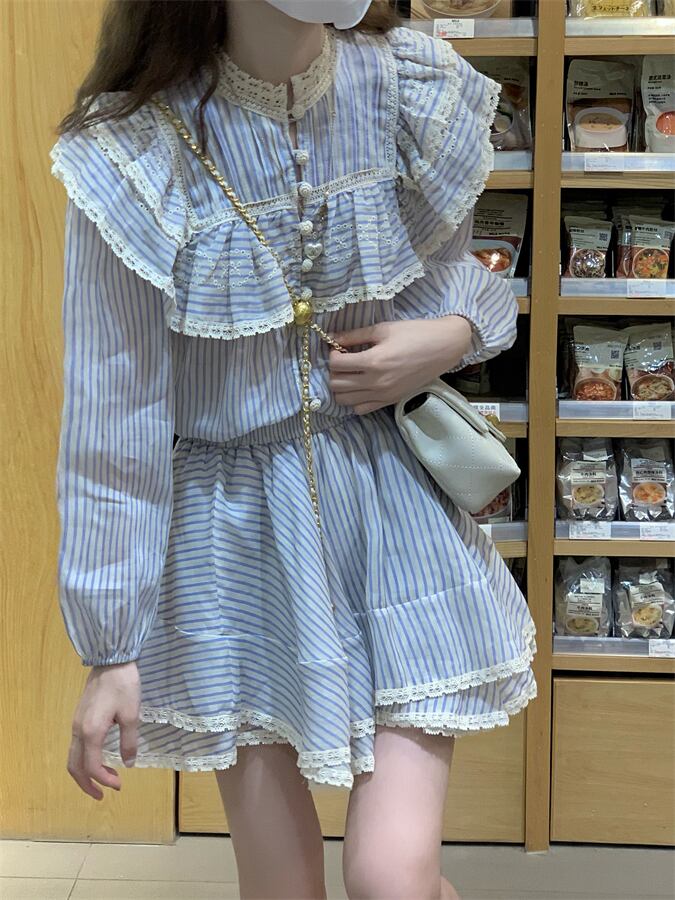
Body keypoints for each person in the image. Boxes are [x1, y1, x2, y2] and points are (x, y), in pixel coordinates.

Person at [49, 1, 538, 897]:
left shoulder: (408, 86)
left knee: (391, 877)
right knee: (280, 886)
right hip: (233, 546)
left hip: (389, 513)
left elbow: (452, 276)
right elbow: (113, 419)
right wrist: (109, 645)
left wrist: (450, 334)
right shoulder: (134, 148)